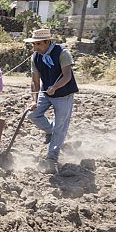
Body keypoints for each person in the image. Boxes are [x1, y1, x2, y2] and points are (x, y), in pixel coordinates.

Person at [24, 29, 78, 174]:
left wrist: (55, 87)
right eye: (34, 44)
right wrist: (34, 100)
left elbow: (67, 76)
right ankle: (51, 131)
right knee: (32, 115)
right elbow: (34, 81)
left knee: (60, 126)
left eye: (38, 44)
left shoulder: (62, 53)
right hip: (46, 92)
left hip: (63, 94)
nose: (35, 48)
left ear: (48, 42)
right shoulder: (35, 57)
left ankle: (52, 158)